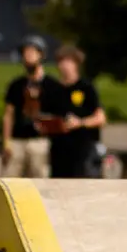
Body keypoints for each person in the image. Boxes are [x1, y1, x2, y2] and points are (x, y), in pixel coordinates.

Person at [44, 45, 106, 179]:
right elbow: (46, 114)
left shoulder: (86, 88)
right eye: (61, 62)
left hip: (84, 150)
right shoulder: (53, 89)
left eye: (68, 62)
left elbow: (100, 118)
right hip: (59, 151)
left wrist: (80, 123)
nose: (64, 66)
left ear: (76, 64)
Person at [0, 36, 53, 180]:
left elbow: (58, 115)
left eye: (32, 52)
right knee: (9, 180)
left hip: (39, 141)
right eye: (25, 53)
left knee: (39, 181)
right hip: (17, 140)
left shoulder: (51, 85)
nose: (27, 56)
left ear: (41, 54)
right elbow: (8, 114)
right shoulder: (16, 85)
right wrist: (6, 142)